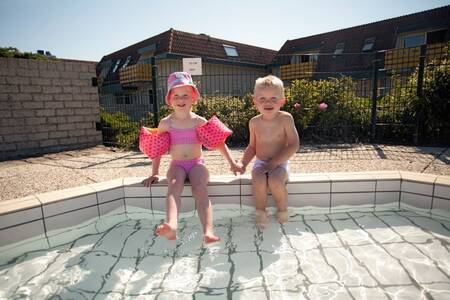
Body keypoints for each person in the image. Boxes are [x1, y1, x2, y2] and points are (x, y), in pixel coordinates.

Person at [142, 71, 240, 243]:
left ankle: (208, 231)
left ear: (193, 97)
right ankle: (171, 225)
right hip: (177, 165)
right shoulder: (166, 123)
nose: (181, 100)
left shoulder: (198, 121)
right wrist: (155, 172)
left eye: (185, 95)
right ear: (170, 99)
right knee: (173, 186)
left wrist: (232, 163)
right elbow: (158, 148)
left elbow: (218, 143)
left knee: (200, 188)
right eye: (176, 95)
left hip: (196, 164)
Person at [237, 75, 300, 227]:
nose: (268, 102)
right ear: (255, 101)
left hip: (280, 162)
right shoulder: (254, 122)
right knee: (258, 181)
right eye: (262, 98)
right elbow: (252, 147)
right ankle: (260, 211)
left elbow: (294, 144)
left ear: (282, 101)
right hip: (261, 162)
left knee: (275, 181)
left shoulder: (285, 119)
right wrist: (242, 163)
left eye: (273, 98)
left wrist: (275, 162)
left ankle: (282, 210)